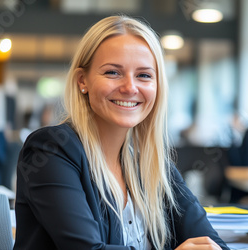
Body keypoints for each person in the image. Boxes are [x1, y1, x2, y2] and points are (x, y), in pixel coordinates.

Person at [14, 16, 228, 250]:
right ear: (82, 80)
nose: (130, 87)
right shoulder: (51, 149)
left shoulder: (151, 164)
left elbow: (211, 243)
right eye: (113, 72)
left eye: (144, 75)